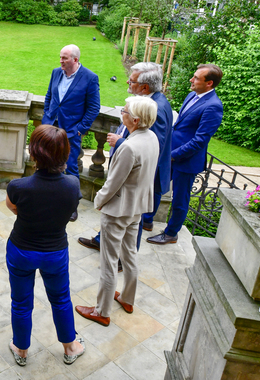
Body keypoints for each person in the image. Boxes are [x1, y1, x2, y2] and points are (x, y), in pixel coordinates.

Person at [5, 125, 86, 367]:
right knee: (61, 299)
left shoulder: (18, 186)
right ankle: (70, 347)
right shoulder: (72, 185)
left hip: (21, 250)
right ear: (65, 154)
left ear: (34, 153)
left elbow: (13, 208)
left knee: (20, 302)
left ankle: (20, 349)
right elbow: (70, 211)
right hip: (55, 253)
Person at [75, 96, 160, 327]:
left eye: (124, 111)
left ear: (134, 119)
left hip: (119, 210)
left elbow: (113, 182)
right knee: (130, 253)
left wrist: (99, 201)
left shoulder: (129, 147)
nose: (121, 113)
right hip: (138, 207)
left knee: (109, 261)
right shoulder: (151, 137)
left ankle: (102, 311)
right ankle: (127, 299)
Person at [78, 62, 173, 253]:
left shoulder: (156, 107)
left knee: (132, 222)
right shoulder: (147, 103)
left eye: (133, 80)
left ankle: (124, 258)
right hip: (128, 168)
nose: (128, 81)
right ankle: (101, 239)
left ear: (145, 87)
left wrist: (121, 143)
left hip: (135, 179)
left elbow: (152, 147)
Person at [147, 64, 224, 245]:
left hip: (186, 161)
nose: (191, 79)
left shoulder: (214, 106)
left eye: (197, 78)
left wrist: (173, 155)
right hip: (171, 154)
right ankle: (147, 220)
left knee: (180, 200)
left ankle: (171, 233)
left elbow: (199, 141)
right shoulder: (192, 95)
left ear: (209, 83)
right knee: (157, 185)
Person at [42, 45, 100, 183]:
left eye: (64, 58)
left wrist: (80, 129)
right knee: (47, 163)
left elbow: (94, 107)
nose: (61, 60)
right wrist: (47, 115)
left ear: (75, 59)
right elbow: (49, 96)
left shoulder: (90, 78)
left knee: (71, 167)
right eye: (60, 57)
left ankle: (72, 200)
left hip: (71, 131)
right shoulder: (56, 72)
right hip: (50, 126)